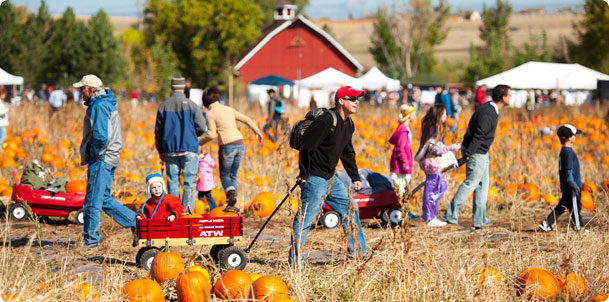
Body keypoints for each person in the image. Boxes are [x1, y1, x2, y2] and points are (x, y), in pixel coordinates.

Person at [290, 85, 368, 264]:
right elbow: (306, 146)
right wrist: (303, 174)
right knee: (306, 218)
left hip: (330, 177)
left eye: (358, 99)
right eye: (352, 98)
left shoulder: (348, 123)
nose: (356, 102)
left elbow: (347, 152)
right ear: (341, 101)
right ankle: (296, 261)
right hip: (314, 177)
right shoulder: (326, 120)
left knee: (350, 207)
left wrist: (355, 176)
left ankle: (357, 251)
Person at [73, 74, 137, 249]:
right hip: (110, 156)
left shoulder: (99, 106)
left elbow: (101, 137)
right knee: (104, 199)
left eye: (82, 89)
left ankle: (90, 241)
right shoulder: (106, 103)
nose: (81, 93)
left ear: (91, 90)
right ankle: (135, 222)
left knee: (93, 200)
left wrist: (93, 153)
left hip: (102, 157)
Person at [442, 84, 511, 229]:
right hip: (476, 152)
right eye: (509, 95)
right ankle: (450, 215)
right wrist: (468, 155)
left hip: (482, 152)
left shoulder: (491, 109)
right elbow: (479, 134)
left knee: (482, 184)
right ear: (503, 98)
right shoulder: (488, 113)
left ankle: (480, 219)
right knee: (471, 183)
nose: (511, 97)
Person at [199, 87, 263, 209]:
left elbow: (211, 134)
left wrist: (199, 142)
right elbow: (246, 119)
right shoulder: (228, 109)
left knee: (224, 175)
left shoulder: (210, 114)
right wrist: (257, 131)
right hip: (240, 144)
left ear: (205, 101)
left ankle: (231, 195)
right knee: (232, 175)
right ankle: (231, 201)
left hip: (227, 146)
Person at [155, 77, 206, 214]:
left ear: (171, 88)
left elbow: (158, 131)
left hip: (170, 150)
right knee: (189, 182)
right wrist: (193, 134)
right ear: (184, 88)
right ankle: (187, 213)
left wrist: (160, 150)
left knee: (172, 182)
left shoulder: (163, 106)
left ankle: (174, 212)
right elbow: (201, 127)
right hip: (189, 149)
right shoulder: (192, 105)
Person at [415, 105, 460, 227]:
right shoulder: (434, 129)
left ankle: (428, 213)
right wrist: (451, 147)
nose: (447, 116)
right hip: (432, 164)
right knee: (434, 189)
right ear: (440, 115)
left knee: (439, 186)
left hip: (432, 163)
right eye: (445, 113)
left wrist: (451, 159)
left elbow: (437, 147)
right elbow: (434, 148)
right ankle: (430, 217)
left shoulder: (435, 128)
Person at [539, 125, 587, 232]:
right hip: (571, 187)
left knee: (562, 206)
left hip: (566, 186)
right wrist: (574, 185)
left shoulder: (564, 151)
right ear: (570, 138)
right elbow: (569, 172)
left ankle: (546, 223)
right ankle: (580, 227)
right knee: (575, 207)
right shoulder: (569, 153)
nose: (576, 137)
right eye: (574, 135)